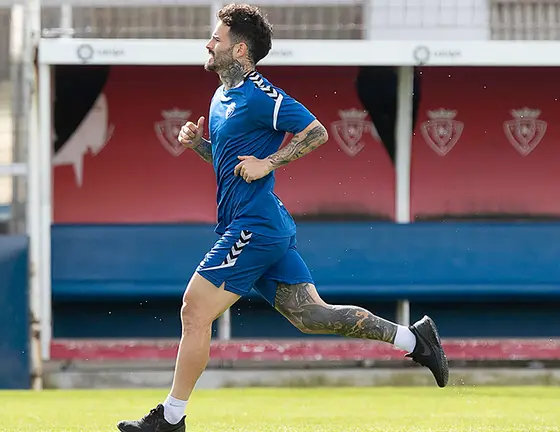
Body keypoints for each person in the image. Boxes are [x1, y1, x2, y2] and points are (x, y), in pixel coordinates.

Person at [117, 4, 448, 432]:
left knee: (194, 311)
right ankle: (415, 340)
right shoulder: (221, 97)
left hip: (253, 227)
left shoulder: (260, 93)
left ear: (239, 50)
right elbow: (230, 164)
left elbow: (316, 131)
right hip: (262, 226)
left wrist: (270, 161)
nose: (208, 43)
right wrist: (199, 144)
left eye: (215, 38)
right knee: (312, 315)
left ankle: (171, 417)